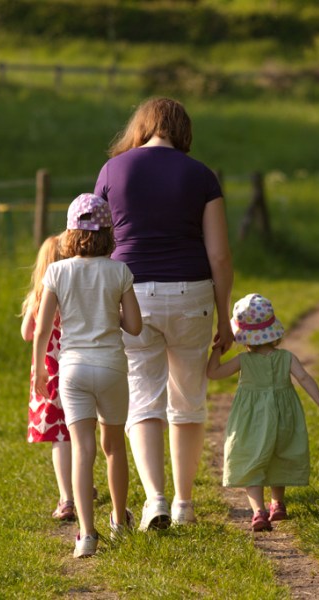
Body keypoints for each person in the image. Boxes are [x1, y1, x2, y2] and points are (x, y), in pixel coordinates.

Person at [94, 97, 233, 529]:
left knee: (143, 398)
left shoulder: (113, 171)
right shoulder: (201, 176)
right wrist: (225, 316)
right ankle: (184, 505)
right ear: (183, 130)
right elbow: (220, 255)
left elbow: (93, 240)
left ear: (142, 126)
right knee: (188, 401)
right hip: (192, 294)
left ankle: (155, 500)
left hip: (132, 293)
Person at [33, 193, 143, 558]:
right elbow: (135, 326)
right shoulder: (120, 271)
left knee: (82, 449)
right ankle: (117, 520)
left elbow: (43, 329)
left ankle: (86, 534)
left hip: (73, 369)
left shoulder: (57, 272)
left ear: (69, 232)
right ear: (108, 232)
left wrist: (38, 372)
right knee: (114, 447)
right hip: (111, 366)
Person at [207, 293, 319, 531]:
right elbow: (305, 378)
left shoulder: (243, 360)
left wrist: (218, 348)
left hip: (251, 419)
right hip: (284, 416)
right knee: (280, 453)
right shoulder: (287, 357)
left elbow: (213, 373)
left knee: (250, 457)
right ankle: (277, 504)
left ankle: (259, 512)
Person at [20, 234, 77, 521]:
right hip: (78, 367)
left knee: (60, 436)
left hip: (49, 376)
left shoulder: (39, 297)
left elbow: (27, 334)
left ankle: (67, 498)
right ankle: (81, 487)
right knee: (80, 431)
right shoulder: (74, 291)